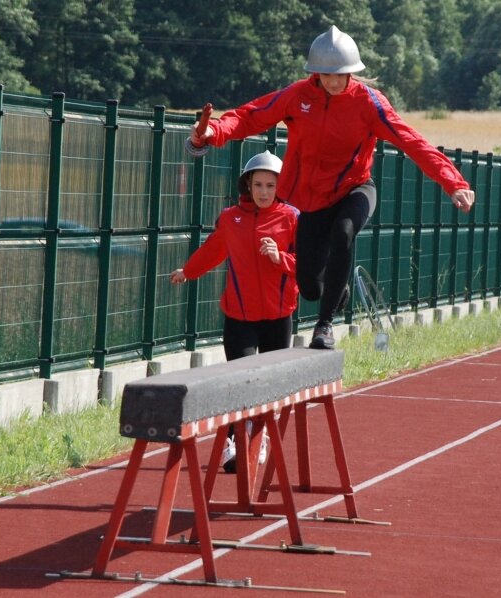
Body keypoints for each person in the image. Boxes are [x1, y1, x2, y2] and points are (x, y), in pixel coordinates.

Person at [185, 25, 475, 349]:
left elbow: (411, 141)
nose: (335, 82)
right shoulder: (297, 96)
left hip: (356, 188)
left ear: (353, 72)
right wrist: (214, 131)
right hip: (312, 200)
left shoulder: (369, 103)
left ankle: (324, 327)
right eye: (327, 75)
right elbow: (251, 116)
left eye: (342, 75)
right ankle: (338, 290)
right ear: (315, 73)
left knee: (344, 230)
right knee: (309, 284)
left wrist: (454, 182)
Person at [170, 150, 298, 471]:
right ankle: (230, 442)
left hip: (278, 316)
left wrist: (279, 257)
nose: (264, 192)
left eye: (270, 185)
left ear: (279, 186)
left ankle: (258, 437)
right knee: (241, 380)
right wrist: (189, 270)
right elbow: (213, 249)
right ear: (248, 185)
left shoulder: (292, 219)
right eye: (258, 185)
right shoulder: (231, 218)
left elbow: (309, 266)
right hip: (239, 317)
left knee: (269, 385)